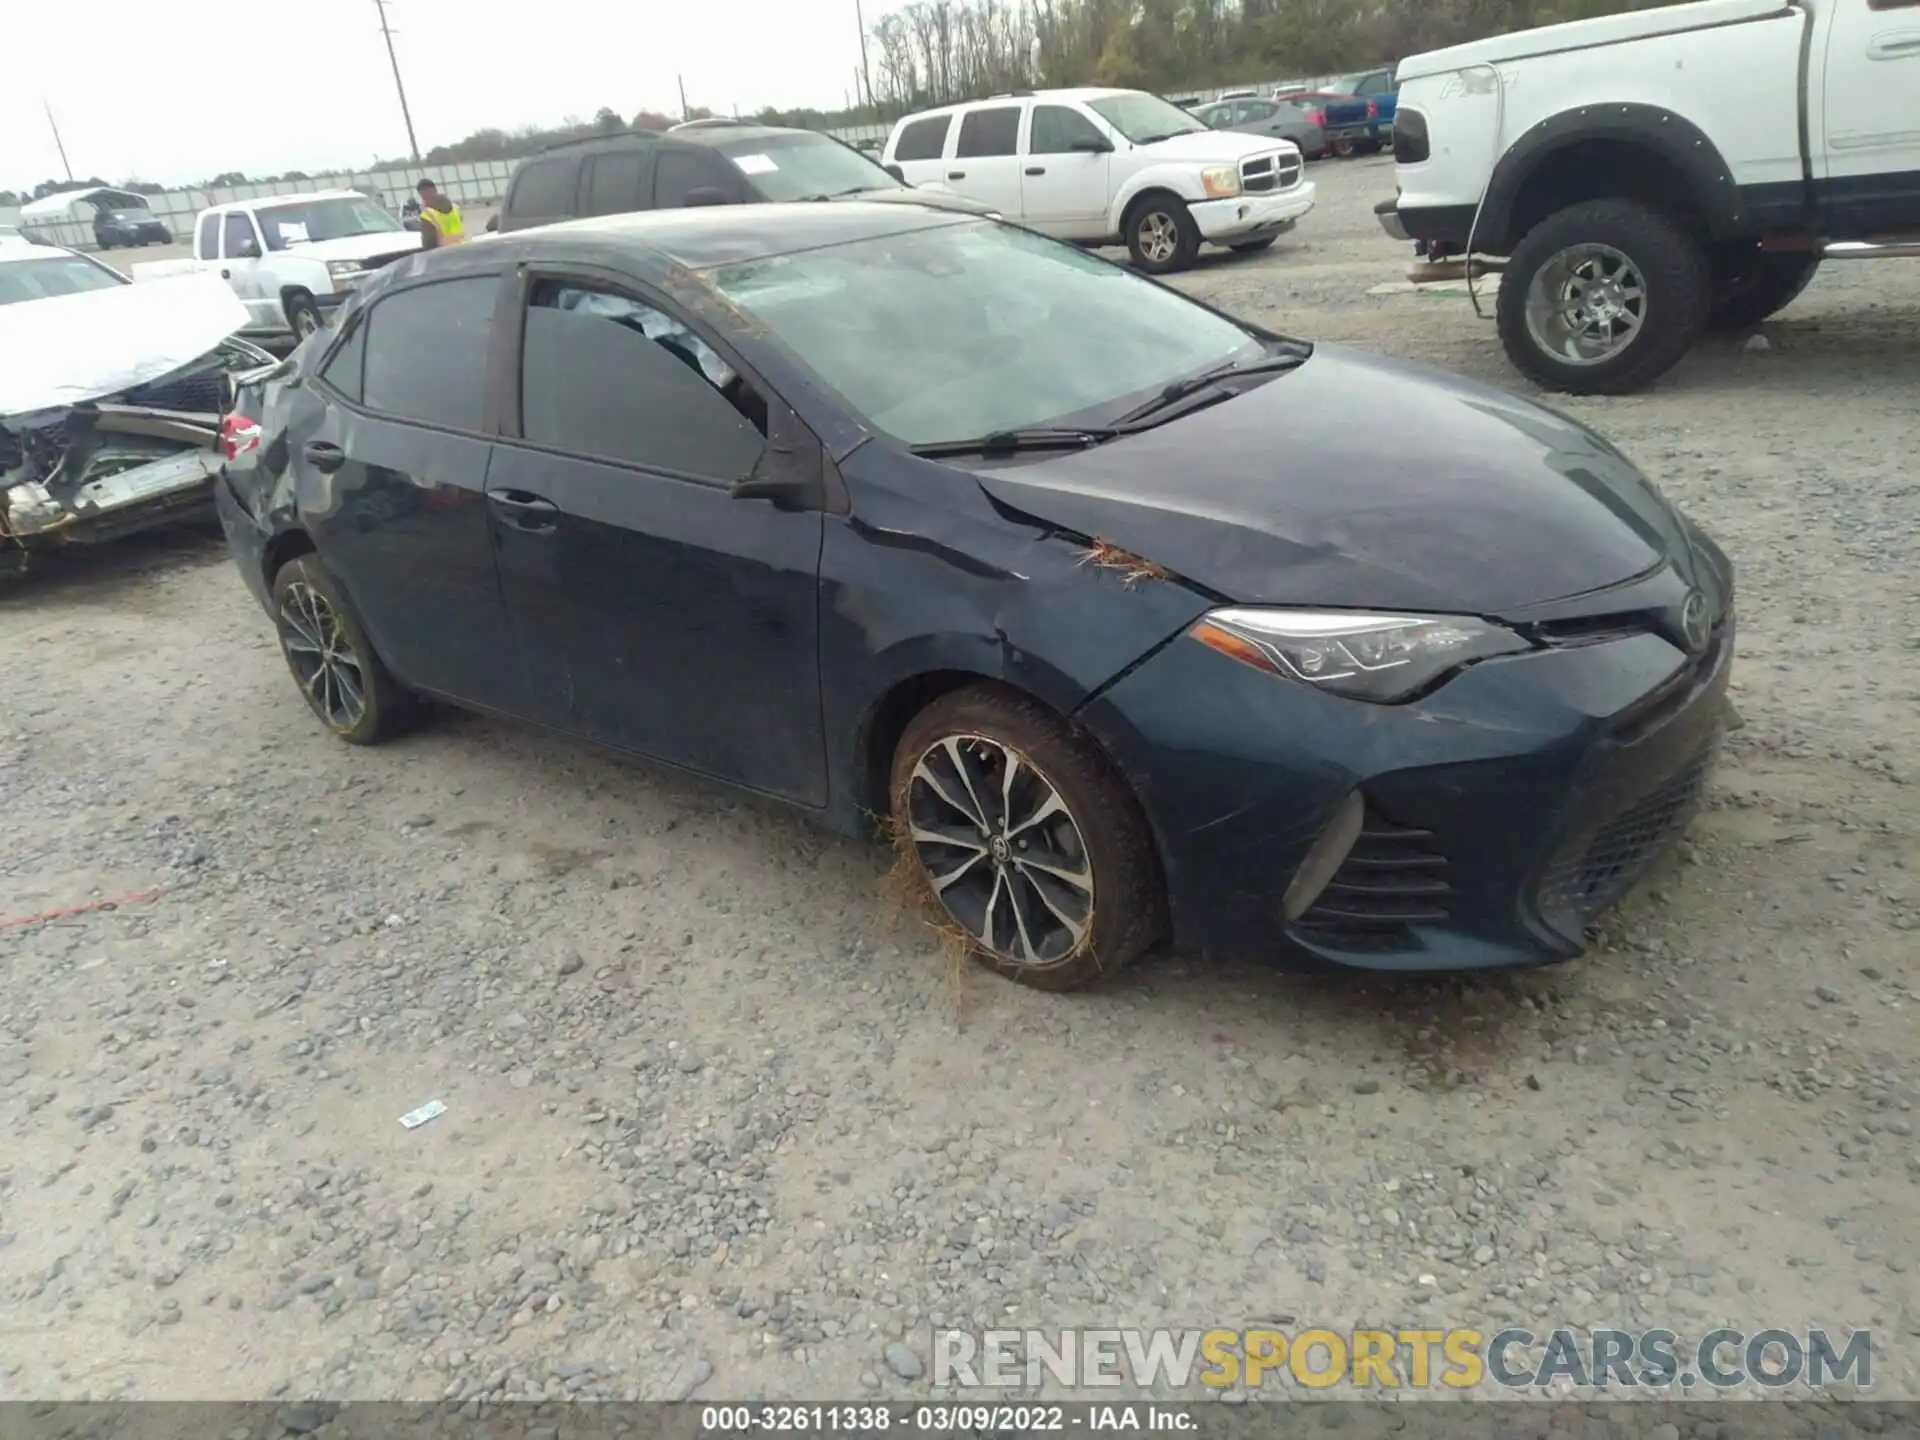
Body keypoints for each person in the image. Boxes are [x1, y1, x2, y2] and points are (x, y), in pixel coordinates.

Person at [415, 179, 465, 250]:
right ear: (435, 190)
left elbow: (429, 243)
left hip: (442, 254)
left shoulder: (428, 215)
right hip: (462, 249)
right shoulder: (455, 208)